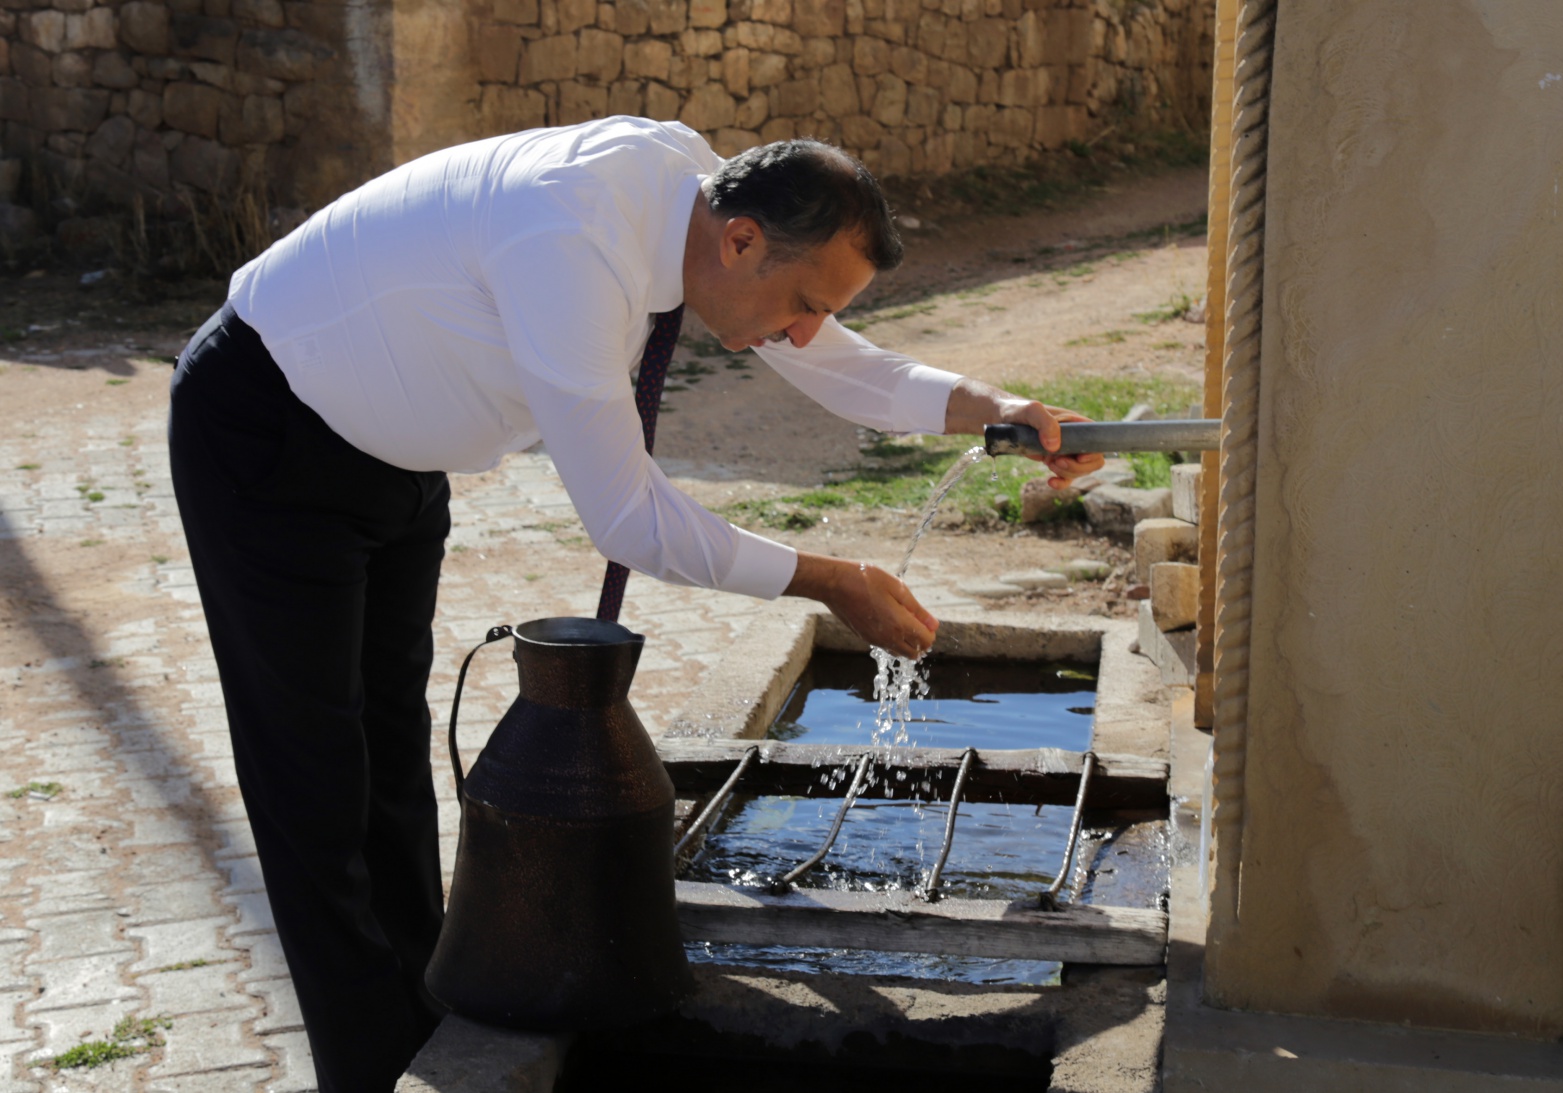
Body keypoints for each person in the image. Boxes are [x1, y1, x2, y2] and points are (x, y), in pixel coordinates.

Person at [167, 116, 1100, 1091]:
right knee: (312, 776)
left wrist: (997, 409)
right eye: (801, 303)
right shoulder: (570, 237)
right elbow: (628, 518)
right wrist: (830, 580)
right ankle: (367, 1068)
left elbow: (838, 362)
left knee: (389, 754)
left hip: (391, 461)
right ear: (741, 241)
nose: (799, 331)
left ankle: (421, 1024)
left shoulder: (697, 197)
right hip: (270, 428)